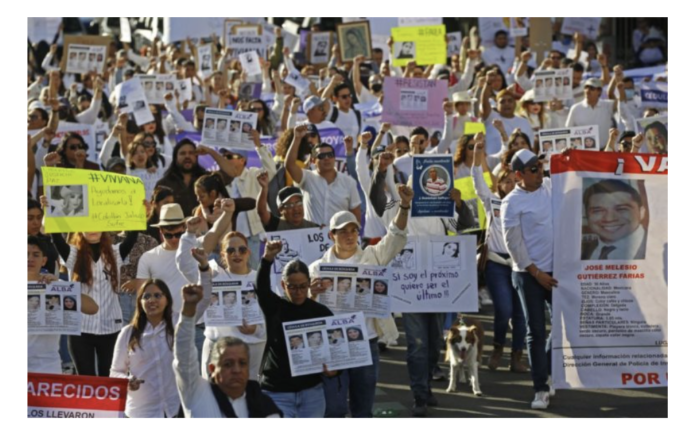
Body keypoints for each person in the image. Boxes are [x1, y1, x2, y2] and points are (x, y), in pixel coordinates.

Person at [308, 184, 412, 418]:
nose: (349, 236)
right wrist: (311, 294)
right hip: (332, 345)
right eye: (342, 231)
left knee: (363, 409)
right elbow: (304, 308)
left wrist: (404, 206)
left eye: (353, 230)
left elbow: (396, 236)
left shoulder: (373, 256)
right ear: (331, 235)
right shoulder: (316, 269)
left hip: (366, 343)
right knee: (333, 409)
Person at [41, 193, 140, 377]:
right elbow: (56, 238)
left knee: (108, 378)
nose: (92, 228)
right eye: (87, 223)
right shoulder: (72, 254)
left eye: (96, 223)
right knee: (85, 379)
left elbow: (132, 235)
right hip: (80, 329)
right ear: (80, 228)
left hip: (111, 327)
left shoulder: (116, 252)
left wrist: (140, 210)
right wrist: (49, 208)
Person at [501, 149, 558, 410]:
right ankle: (540, 388)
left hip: (556, 272)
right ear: (518, 175)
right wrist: (537, 273)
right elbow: (513, 244)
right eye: (533, 169)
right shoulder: (511, 202)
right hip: (528, 273)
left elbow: (582, 170)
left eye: (540, 165)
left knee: (564, 326)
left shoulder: (549, 185)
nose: (539, 172)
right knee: (536, 331)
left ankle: (544, 369)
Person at [255, 241, 337, 418]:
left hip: (312, 393)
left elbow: (336, 348)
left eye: (302, 286)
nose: (298, 291)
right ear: (283, 286)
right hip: (277, 393)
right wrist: (267, 259)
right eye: (292, 286)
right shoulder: (274, 307)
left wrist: (335, 369)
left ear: (309, 284)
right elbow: (261, 289)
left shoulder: (321, 312)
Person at [110, 270, 209, 418]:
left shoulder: (179, 323)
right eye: (146, 296)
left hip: (176, 408)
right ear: (140, 302)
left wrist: (204, 268)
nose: (152, 300)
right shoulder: (128, 333)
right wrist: (127, 381)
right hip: (141, 412)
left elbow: (203, 301)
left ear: (167, 299)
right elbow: (115, 372)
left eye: (157, 295)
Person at [174, 283, 282, 418]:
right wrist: (188, 311)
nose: (236, 370)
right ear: (212, 369)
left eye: (242, 363)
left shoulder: (265, 408)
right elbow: (184, 357)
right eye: (227, 364)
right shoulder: (197, 395)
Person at [178, 223, 268, 381]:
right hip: (217, 349)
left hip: (252, 350)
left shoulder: (260, 278)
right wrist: (189, 235)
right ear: (222, 254)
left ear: (248, 252)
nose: (236, 254)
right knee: (214, 400)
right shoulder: (212, 274)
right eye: (230, 250)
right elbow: (185, 264)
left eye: (241, 249)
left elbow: (273, 319)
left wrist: (255, 330)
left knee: (248, 401)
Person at [471, 134, 527, 373]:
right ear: (499, 183)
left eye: (513, 181)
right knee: (503, 309)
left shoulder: (527, 202)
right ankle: (497, 349)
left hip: (521, 265)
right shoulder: (491, 200)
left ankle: (517, 356)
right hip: (496, 264)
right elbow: (476, 179)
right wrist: (477, 152)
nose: (509, 185)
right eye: (505, 181)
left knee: (521, 313)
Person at [28, 236, 98, 374]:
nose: (29, 259)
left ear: (44, 261)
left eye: (35, 255)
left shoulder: (54, 285)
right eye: (25, 254)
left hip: (47, 366)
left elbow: (93, 308)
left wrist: (60, 286)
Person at [285, 124, 362, 226]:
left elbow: (356, 218)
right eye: (321, 156)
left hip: (338, 239)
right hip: (311, 238)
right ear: (313, 160)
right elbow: (289, 165)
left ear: (334, 158)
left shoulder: (349, 182)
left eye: (330, 155)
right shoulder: (307, 178)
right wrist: (297, 138)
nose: (326, 158)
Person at [581, 179, 648, 260]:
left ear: (642, 213)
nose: (609, 219)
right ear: (587, 215)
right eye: (598, 211)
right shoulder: (582, 250)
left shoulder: (660, 246)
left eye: (621, 209)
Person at [566, 78, 633, 147]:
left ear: (599, 91)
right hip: (584, 153)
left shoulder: (607, 105)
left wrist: (620, 88)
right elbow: (567, 131)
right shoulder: (575, 108)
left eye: (592, 88)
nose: (588, 91)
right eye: (586, 87)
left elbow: (621, 102)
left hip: (605, 151)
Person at [156, 139, 208, 217]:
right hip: (174, 228)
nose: (187, 156)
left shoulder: (207, 180)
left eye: (191, 153)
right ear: (175, 157)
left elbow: (230, 172)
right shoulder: (164, 184)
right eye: (182, 153)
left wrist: (210, 152)